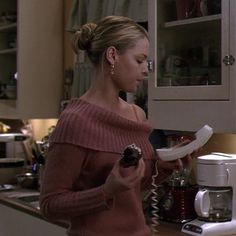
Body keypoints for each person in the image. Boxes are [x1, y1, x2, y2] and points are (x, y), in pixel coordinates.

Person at [40, 15, 193, 236]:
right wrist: (106, 191)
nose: (145, 70)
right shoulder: (76, 120)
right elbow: (50, 205)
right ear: (112, 55)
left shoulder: (137, 115)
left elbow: (132, 189)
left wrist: (165, 169)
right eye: (139, 60)